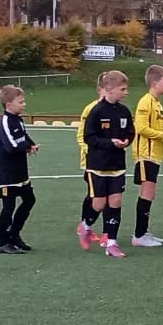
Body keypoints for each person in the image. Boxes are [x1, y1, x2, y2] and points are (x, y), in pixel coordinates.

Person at [82, 71, 134, 258]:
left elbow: (130, 132)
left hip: (117, 165)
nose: (126, 92)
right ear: (109, 90)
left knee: (116, 202)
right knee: (98, 203)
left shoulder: (124, 111)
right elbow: (89, 137)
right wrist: (109, 143)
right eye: (123, 89)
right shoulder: (96, 111)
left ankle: (111, 242)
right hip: (97, 166)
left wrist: (127, 141)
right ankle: (85, 226)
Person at [130, 64, 163, 247]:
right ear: (155, 83)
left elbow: (153, 128)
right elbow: (140, 128)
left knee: (150, 193)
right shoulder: (146, 101)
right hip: (145, 155)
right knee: (147, 193)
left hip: (154, 155)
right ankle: (139, 235)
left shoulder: (157, 103)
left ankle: (143, 232)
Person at [0, 84, 38, 254]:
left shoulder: (18, 119)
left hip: (20, 172)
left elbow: (22, 136)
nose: (24, 104)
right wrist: (26, 148)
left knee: (29, 200)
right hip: (6, 174)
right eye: (20, 102)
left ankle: (14, 235)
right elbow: (11, 145)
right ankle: (2, 242)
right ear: (8, 104)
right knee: (8, 207)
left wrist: (31, 144)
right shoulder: (4, 121)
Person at [75, 88, 103, 248]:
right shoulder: (91, 108)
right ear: (101, 89)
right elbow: (81, 135)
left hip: (107, 162)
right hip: (92, 162)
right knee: (95, 196)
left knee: (104, 197)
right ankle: (85, 226)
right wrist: (93, 152)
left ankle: (88, 226)